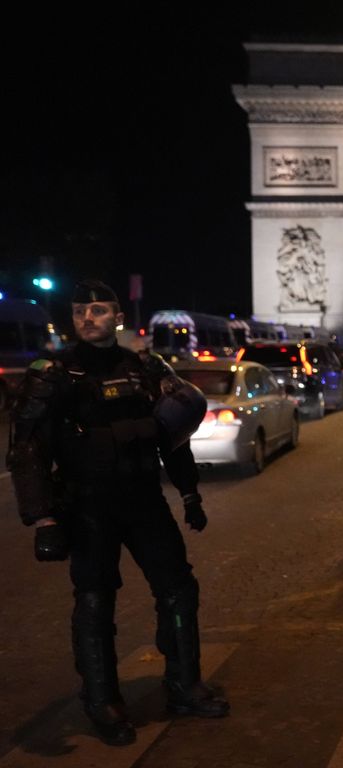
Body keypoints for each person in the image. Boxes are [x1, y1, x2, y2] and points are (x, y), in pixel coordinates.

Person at [6, 279, 228, 746]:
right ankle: (102, 701)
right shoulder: (54, 373)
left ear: (118, 318)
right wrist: (42, 517)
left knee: (179, 592)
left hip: (145, 500)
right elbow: (27, 449)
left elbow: (174, 436)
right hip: (87, 506)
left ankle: (185, 686)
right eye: (81, 311)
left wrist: (189, 494)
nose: (88, 318)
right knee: (94, 603)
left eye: (100, 310)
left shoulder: (145, 369)